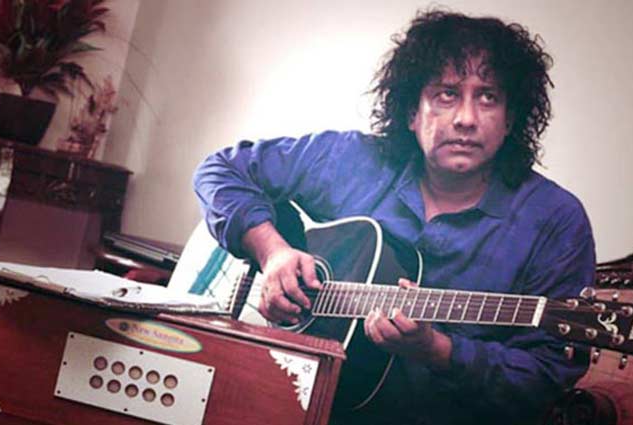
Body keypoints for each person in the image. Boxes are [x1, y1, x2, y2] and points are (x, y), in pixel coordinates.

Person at [193, 8, 594, 425]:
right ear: (411, 112)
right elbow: (220, 170)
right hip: (282, 397)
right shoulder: (352, 160)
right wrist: (272, 252)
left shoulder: (556, 220)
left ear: (511, 118)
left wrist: (438, 350)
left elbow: (548, 374)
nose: (466, 119)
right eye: (446, 94)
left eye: (488, 97)